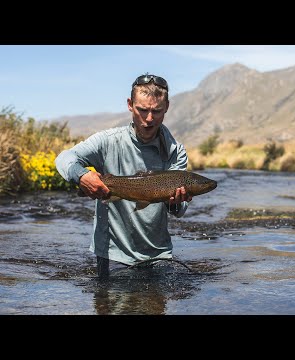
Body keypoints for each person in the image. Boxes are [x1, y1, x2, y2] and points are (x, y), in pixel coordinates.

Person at [55, 73, 192, 278]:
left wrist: (174, 202)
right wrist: (82, 176)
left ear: (167, 108)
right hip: (113, 256)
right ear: (130, 104)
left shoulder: (175, 151)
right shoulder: (108, 141)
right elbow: (64, 158)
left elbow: (178, 211)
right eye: (142, 110)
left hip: (159, 254)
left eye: (156, 111)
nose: (149, 119)